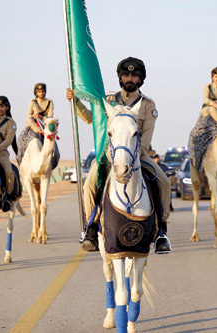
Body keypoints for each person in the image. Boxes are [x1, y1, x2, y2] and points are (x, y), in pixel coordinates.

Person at [66, 56, 172, 253]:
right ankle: (91, 227)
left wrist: (133, 155)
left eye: (134, 75)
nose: (129, 79)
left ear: (141, 79)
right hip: (110, 155)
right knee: (88, 183)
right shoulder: (108, 100)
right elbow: (90, 119)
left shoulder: (148, 104)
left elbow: (147, 136)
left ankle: (161, 232)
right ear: (120, 78)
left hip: (138, 155)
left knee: (164, 182)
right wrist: (77, 102)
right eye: (126, 75)